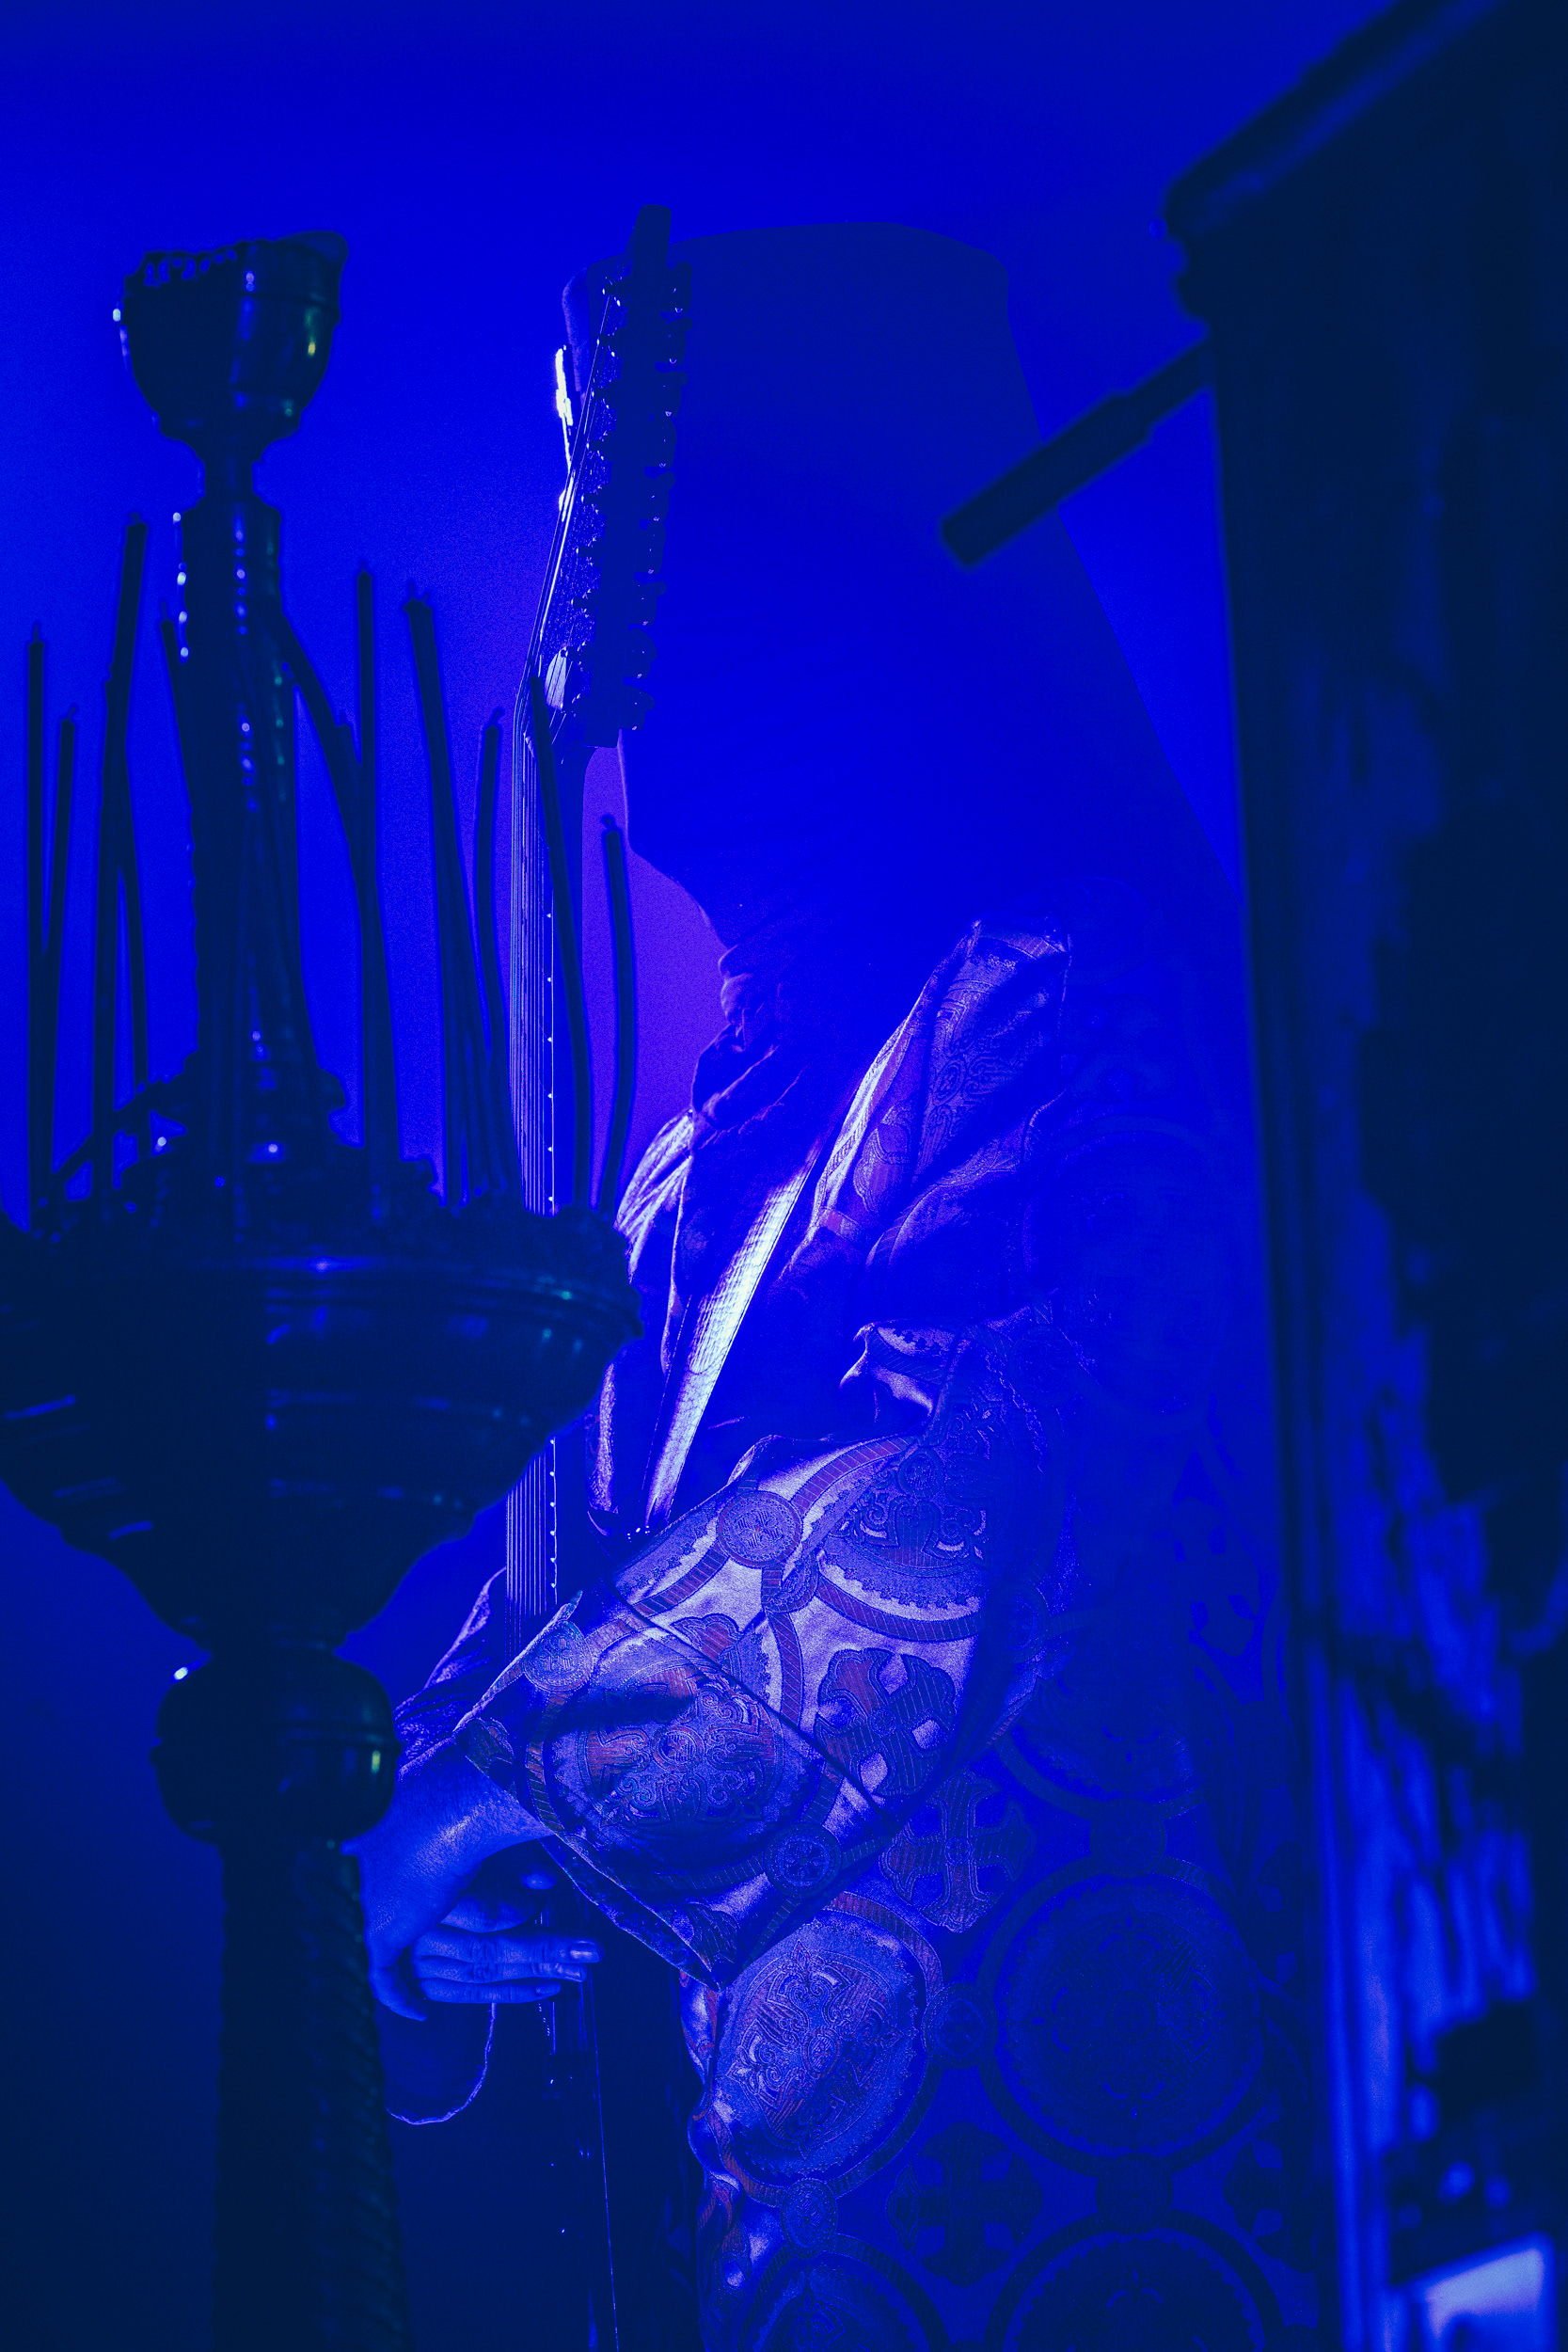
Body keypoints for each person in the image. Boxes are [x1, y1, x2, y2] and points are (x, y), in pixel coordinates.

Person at [355, 223, 1319, 2351]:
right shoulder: (684, 1172)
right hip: (734, 2208)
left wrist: (503, 1788)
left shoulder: (1068, 997)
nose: (629, 690)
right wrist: (406, 1831)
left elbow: (988, 1472)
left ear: (848, 597)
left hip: (1037, 2154)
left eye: (681, 601)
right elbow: (544, 1605)